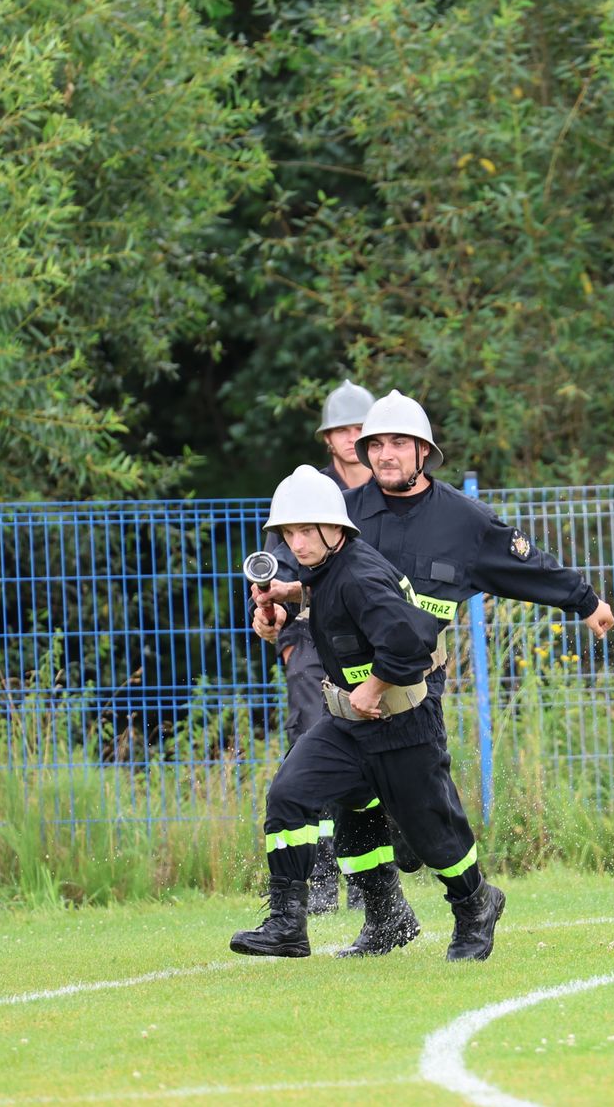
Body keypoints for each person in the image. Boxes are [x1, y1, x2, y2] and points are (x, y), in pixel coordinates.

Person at [232, 465, 506, 961]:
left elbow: (413, 642)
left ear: (334, 528)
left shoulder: (361, 575)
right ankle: (296, 924)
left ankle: (476, 904)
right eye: (288, 533)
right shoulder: (329, 569)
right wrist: (283, 604)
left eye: (305, 531)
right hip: (346, 726)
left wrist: (373, 687)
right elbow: (329, 600)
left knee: (433, 838)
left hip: (403, 727)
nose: (295, 543)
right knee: (293, 795)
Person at [343, 389, 614, 871]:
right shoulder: (342, 514)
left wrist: (585, 600)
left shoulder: (463, 520)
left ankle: (468, 893)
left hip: (415, 683)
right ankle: (380, 909)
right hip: (345, 681)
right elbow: (296, 569)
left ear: (423, 452)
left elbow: (527, 565)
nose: (386, 454)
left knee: (418, 806)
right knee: (348, 794)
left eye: (399, 443)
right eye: (377, 444)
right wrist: (274, 608)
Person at [265, 379, 375, 912]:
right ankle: (322, 879)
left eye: (361, 428)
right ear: (328, 438)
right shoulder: (303, 490)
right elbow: (275, 576)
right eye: (342, 430)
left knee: (382, 755)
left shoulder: (387, 495)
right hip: (312, 640)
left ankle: (374, 880)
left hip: (374, 644)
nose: (352, 438)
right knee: (314, 744)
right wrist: (285, 638)